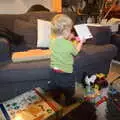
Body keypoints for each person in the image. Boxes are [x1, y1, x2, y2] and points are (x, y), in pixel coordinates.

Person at [49, 14, 86, 106]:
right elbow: (76, 52)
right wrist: (81, 42)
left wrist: (70, 38)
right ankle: (69, 101)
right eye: (70, 30)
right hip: (66, 73)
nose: (71, 32)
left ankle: (56, 101)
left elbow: (62, 44)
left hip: (54, 71)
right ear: (65, 31)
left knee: (56, 88)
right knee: (69, 88)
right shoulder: (68, 45)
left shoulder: (52, 40)